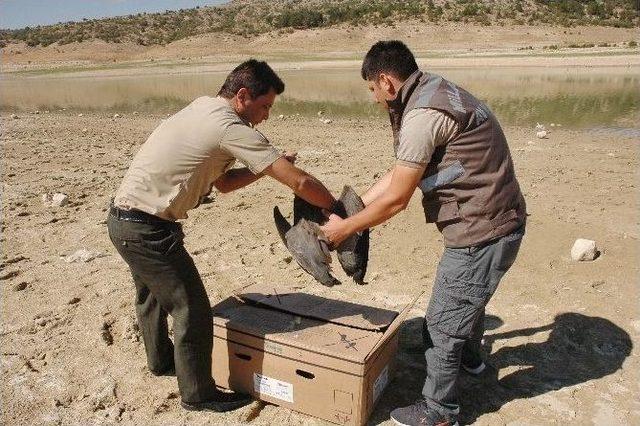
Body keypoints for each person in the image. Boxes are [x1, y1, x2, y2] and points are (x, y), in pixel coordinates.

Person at [107, 59, 336, 413]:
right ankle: (198, 394)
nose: (266, 116)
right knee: (191, 307)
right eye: (265, 107)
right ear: (243, 96)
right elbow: (300, 182)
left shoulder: (202, 109)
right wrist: (333, 207)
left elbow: (225, 184)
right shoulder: (229, 127)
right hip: (147, 229)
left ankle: (161, 362)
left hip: (125, 220)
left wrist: (260, 169)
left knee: (151, 296)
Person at [320, 41, 526, 426]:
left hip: (482, 231)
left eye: (372, 90)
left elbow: (397, 198)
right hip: (497, 219)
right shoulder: (431, 91)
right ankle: (471, 359)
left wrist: (340, 232)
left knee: (444, 321)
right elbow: (400, 175)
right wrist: (355, 207)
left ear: (386, 81)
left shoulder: (421, 115)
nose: (374, 99)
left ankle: (439, 410)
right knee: (470, 296)